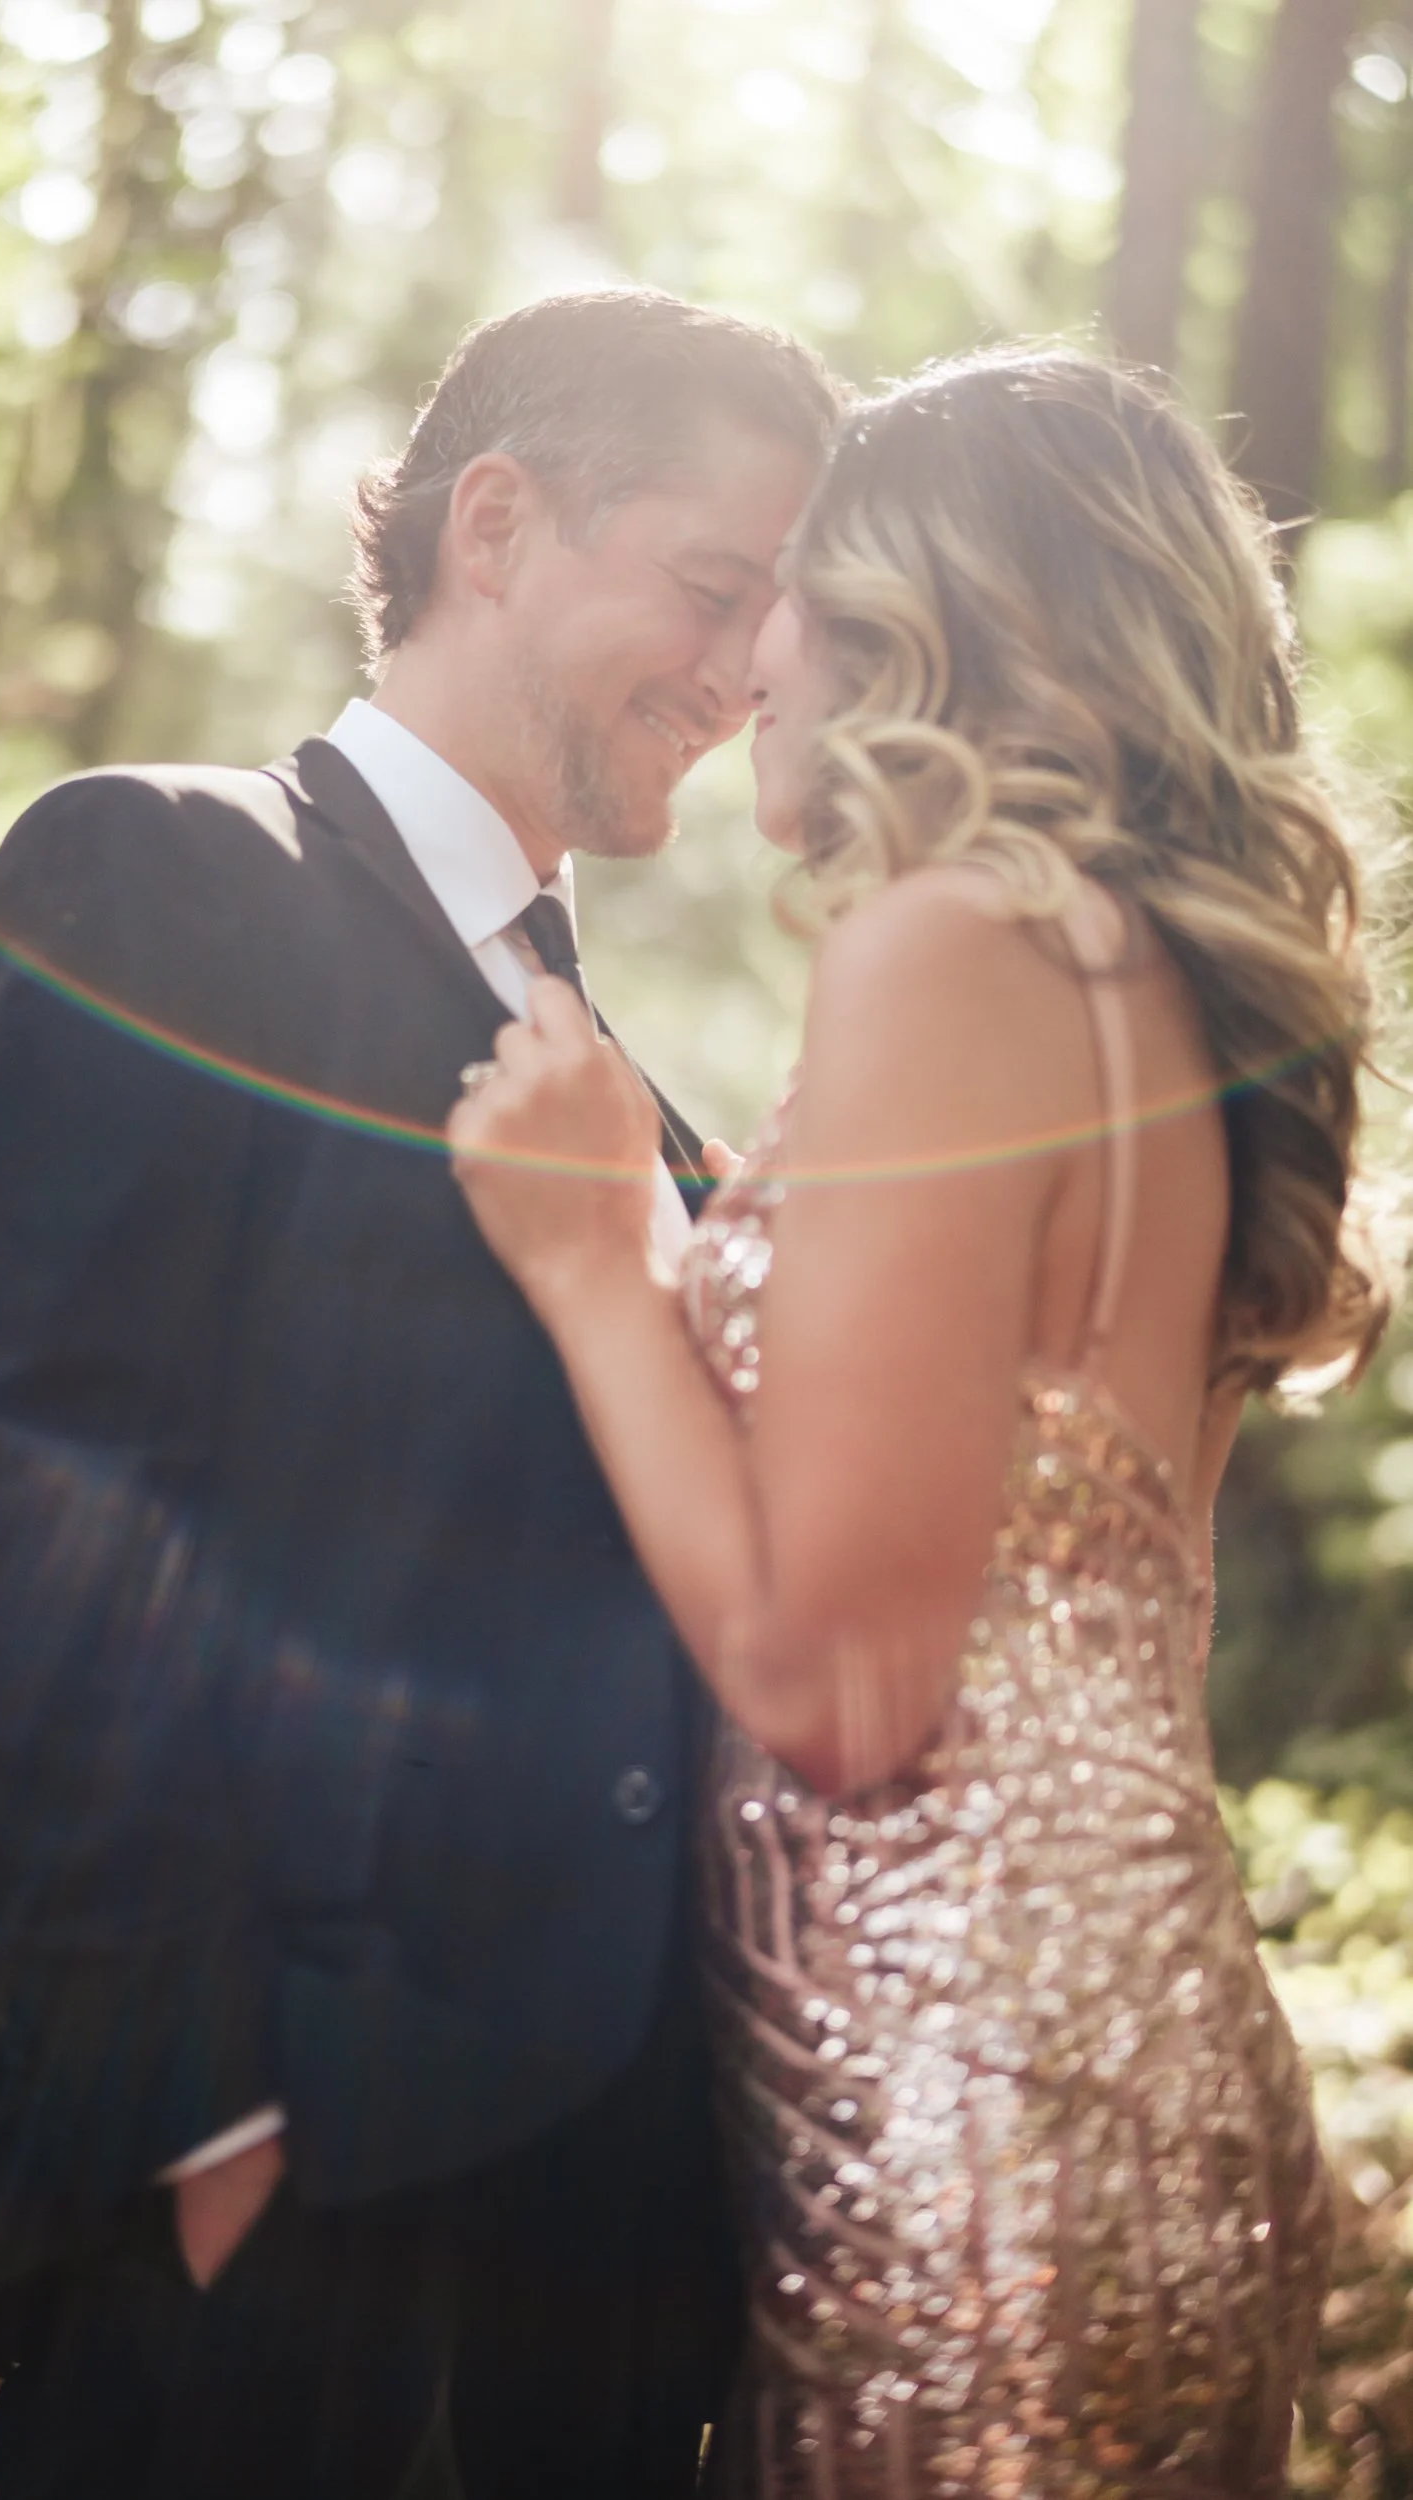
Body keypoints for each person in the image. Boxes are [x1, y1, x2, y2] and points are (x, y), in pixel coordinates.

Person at [0, 289, 839, 2499]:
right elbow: (13, 1513)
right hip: (287, 2242)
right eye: (711, 586)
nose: (743, 668)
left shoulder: (658, 1126)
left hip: (613, 2277)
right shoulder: (157, 874)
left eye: (775, 622)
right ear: (491, 523)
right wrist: (211, 2130)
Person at [449, 346, 1390, 2497]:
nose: (745, 655)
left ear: (911, 616)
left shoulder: (953, 946)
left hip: (975, 2138)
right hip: (1111, 2066)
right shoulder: (1134, 985)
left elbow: (840, 1680)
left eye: (783, 588)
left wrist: (599, 1266)